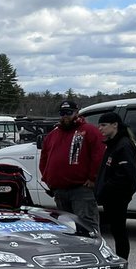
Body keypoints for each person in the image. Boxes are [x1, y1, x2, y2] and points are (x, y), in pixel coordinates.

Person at [39, 99, 104, 233]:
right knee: (66, 228)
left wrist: (93, 178)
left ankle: (91, 252)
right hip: (59, 190)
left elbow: (98, 156)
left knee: (87, 226)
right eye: (62, 113)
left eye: (69, 113)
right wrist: (48, 179)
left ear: (77, 113)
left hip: (81, 190)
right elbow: (44, 158)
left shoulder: (89, 131)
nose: (65, 116)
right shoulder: (53, 135)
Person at [96, 111, 136, 259]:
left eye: (103, 125)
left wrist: (107, 189)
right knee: (115, 230)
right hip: (110, 197)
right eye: (99, 125)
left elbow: (125, 174)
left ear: (115, 125)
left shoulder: (124, 144)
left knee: (119, 232)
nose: (100, 128)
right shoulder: (112, 144)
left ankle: (122, 265)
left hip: (118, 197)